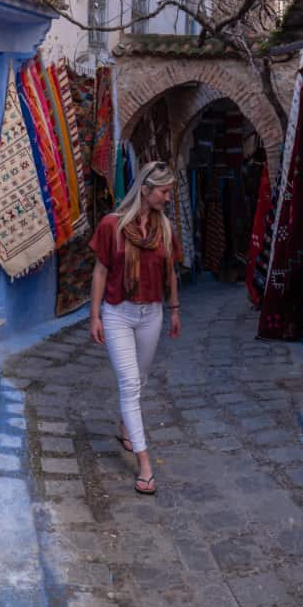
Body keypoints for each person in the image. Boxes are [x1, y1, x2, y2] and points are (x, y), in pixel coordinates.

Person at [89, 160, 182, 495]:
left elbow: (170, 272)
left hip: (152, 314)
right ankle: (144, 465)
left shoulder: (165, 230)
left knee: (139, 379)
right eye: (163, 191)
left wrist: (174, 309)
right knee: (130, 384)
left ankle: (125, 424)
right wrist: (95, 315)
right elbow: (100, 271)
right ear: (145, 190)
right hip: (118, 313)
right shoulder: (111, 225)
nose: (168, 197)